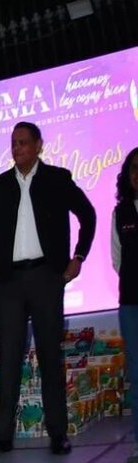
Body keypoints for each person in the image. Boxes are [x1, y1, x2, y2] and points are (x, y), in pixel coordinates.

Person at [0, 121, 96, 458]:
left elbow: (87, 214)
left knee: (49, 355)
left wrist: (78, 257)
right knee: (8, 357)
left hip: (45, 276)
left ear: (39, 145)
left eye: (23, 142)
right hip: (9, 283)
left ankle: (58, 432)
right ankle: (1, 436)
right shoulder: (1, 184)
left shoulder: (57, 178)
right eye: (13, 143)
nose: (17, 148)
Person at [112, 147, 138, 463]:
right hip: (131, 303)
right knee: (137, 373)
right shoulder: (120, 214)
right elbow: (118, 260)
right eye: (133, 168)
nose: (137, 173)